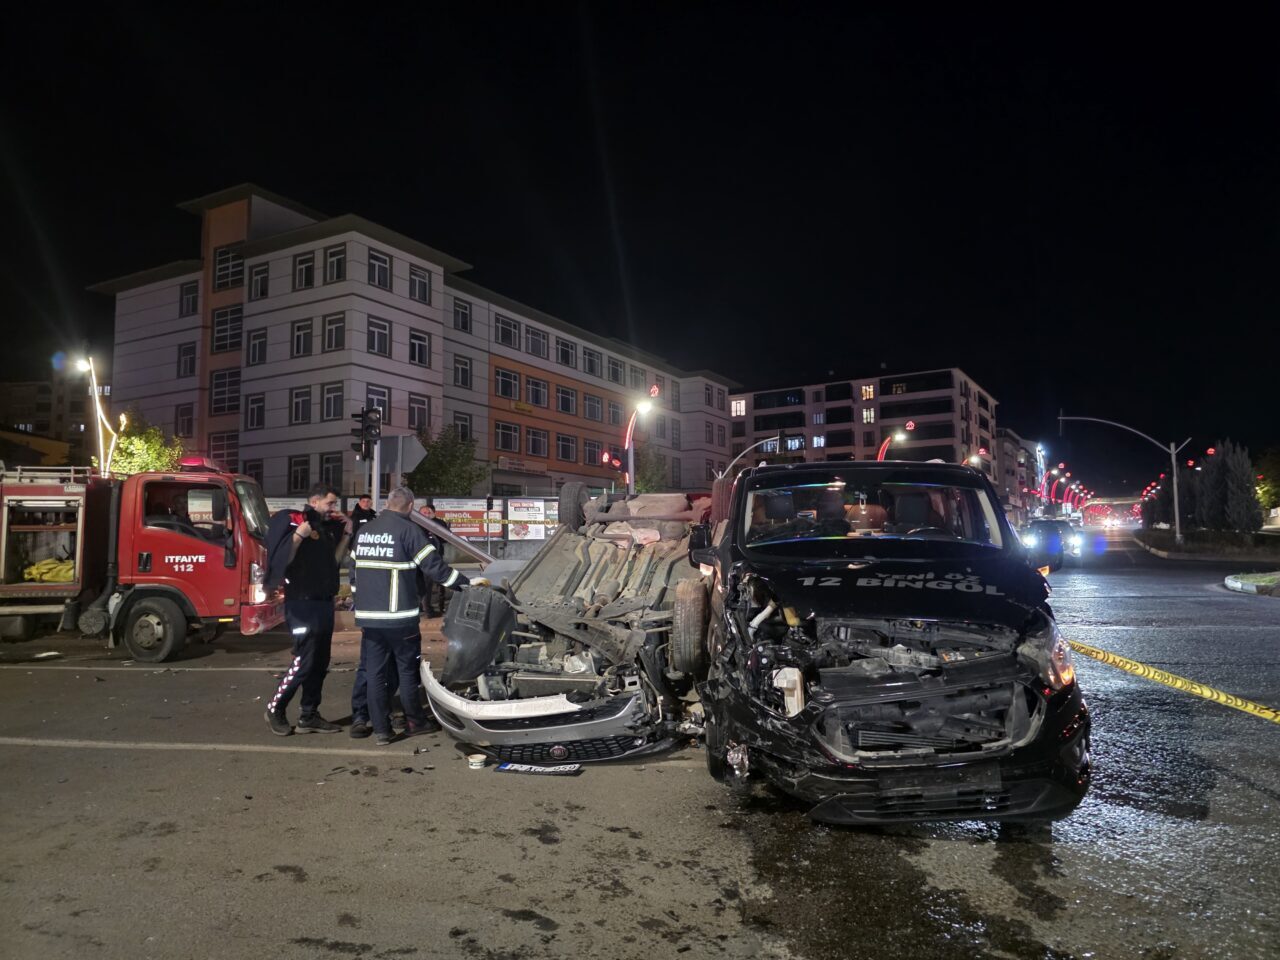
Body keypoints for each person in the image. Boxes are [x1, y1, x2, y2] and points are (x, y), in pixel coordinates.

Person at [354, 486, 471, 745]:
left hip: (369, 617)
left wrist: (360, 599)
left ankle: (381, 731)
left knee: (374, 673)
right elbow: (436, 569)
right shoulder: (409, 531)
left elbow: (354, 572)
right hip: (400, 618)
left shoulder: (364, 532)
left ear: (387, 504)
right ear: (409, 507)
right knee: (407, 671)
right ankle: (415, 721)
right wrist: (467, 584)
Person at [263, 483, 352, 736]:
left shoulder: (324, 529)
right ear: (315, 501)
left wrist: (346, 534)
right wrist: (299, 535)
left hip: (323, 600)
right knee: (305, 660)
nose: (333, 508)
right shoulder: (295, 523)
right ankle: (275, 708)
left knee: (320, 662)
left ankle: (309, 714)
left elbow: (334, 561)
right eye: (330, 503)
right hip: (301, 603)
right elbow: (283, 560)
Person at [417, 500, 451, 617]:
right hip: (418, 559)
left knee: (430, 584)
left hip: (434, 559)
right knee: (418, 584)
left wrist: (434, 522)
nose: (426, 514)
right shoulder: (414, 524)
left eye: (428, 512)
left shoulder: (437, 523)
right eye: (424, 513)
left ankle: (429, 609)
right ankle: (422, 608)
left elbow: (446, 538)